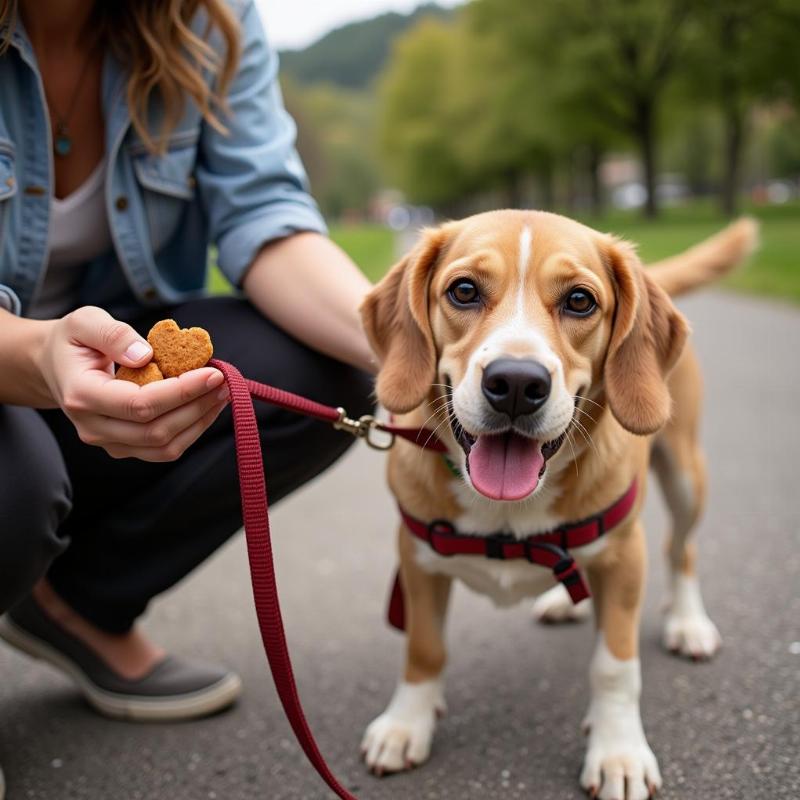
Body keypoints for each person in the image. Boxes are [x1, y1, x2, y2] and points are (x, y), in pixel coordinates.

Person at [0, 0, 377, 793]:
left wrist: (420, 359)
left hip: (100, 360)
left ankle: (74, 606)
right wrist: (40, 355)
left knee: (335, 370)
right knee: (15, 483)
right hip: (22, 368)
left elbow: (265, 216)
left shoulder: (208, 20)